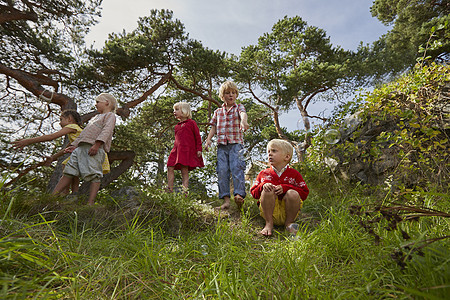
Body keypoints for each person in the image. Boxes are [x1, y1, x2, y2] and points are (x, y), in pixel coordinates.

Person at [53, 93, 117, 205]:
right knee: (69, 171)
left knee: (95, 174)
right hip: (80, 149)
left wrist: (97, 144)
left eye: (98, 102)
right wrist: (75, 145)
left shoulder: (110, 116)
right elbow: (84, 134)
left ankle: (90, 202)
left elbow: (107, 131)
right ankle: (51, 197)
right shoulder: (95, 117)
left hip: (93, 148)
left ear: (107, 102)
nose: (95, 104)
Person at [11, 110, 83, 194]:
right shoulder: (78, 131)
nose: (60, 123)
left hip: (81, 154)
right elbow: (66, 150)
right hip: (83, 154)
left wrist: (28, 141)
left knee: (66, 165)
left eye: (61, 119)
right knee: (71, 169)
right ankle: (74, 193)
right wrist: (53, 157)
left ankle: (64, 192)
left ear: (70, 119)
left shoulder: (72, 126)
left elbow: (51, 137)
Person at [205, 80, 249, 210]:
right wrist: (208, 140)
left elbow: (243, 115)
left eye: (233, 93)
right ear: (222, 96)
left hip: (236, 144)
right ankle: (225, 200)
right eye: (227, 93)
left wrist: (243, 122)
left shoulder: (239, 107)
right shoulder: (218, 112)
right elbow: (213, 127)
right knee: (222, 171)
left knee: (237, 168)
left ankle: (239, 195)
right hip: (222, 146)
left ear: (236, 95)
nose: (231, 95)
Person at [250, 139, 309, 237]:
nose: (270, 154)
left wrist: (286, 188)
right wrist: (262, 186)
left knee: (293, 193)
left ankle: (289, 224)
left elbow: (304, 193)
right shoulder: (263, 174)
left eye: (274, 151)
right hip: (269, 212)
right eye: (268, 151)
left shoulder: (294, 174)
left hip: (289, 212)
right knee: (267, 190)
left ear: (287, 157)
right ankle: (269, 224)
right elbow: (254, 194)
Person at [167, 102, 204, 192]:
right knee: (169, 166)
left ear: (184, 111)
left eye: (177, 109)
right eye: (174, 110)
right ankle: (169, 189)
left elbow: (197, 137)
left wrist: (199, 149)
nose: (174, 112)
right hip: (176, 150)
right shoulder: (177, 126)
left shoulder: (191, 123)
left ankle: (185, 192)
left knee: (184, 171)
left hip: (187, 151)